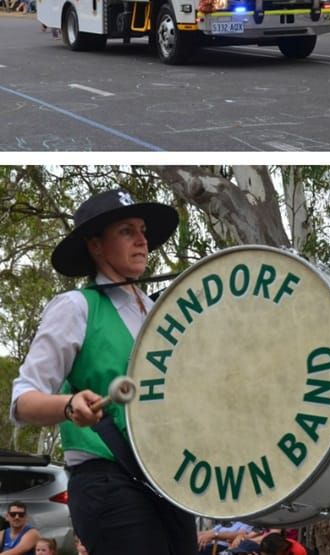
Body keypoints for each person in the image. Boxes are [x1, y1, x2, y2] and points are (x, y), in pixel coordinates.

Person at [10, 188, 196, 552]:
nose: (143, 240)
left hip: (168, 479)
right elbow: (22, 401)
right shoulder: (76, 307)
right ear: (95, 246)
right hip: (107, 482)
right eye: (126, 231)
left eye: (142, 230)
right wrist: (69, 404)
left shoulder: (163, 315)